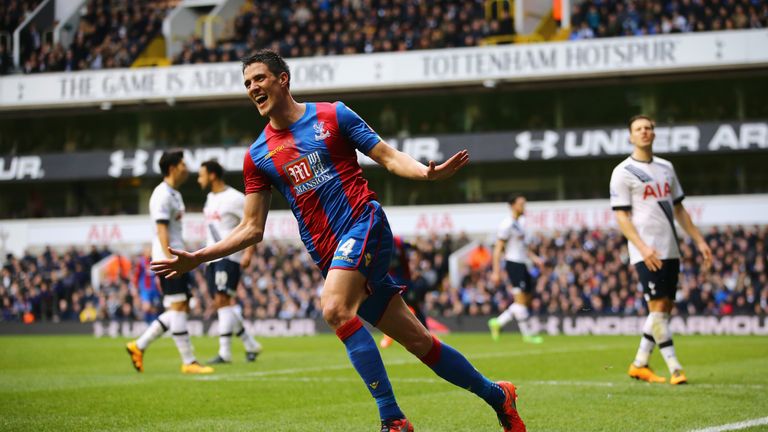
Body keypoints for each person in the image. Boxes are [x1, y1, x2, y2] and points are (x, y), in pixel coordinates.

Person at [151, 50, 525, 432]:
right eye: (247, 83)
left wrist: (426, 175)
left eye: (259, 78)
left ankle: (392, 419)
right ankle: (498, 395)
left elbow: (387, 155)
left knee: (333, 308)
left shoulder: (333, 116)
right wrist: (198, 257)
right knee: (419, 342)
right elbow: (251, 228)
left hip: (363, 223)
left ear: (283, 80)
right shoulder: (258, 155)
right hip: (330, 255)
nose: (252, 88)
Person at [610, 115, 712, 385]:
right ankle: (675, 367)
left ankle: (639, 363)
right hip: (645, 251)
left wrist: (699, 241)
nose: (644, 132)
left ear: (654, 134)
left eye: (648, 128)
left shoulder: (666, 168)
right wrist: (642, 248)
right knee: (656, 306)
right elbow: (621, 217)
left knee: (664, 308)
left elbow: (679, 209)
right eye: (638, 129)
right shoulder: (623, 172)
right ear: (630, 136)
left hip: (670, 248)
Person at [126, 150, 213, 375]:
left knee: (180, 307)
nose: (187, 168)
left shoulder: (174, 194)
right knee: (177, 308)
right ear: (173, 167)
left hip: (176, 259)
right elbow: (162, 229)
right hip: (169, 260)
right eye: (183, 164)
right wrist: (171, 259)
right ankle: (189, 361)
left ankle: (139, 345)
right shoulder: (161, 194)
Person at [197, 159, 263, 364]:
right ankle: (250, 343)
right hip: (212, 256)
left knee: (223, 299)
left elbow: (252, 223)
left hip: (229, 256)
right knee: (221, 302)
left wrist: (249, 253)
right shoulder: (209, 198)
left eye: (202, 174)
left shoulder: (235, 198)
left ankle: (225, 352)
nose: (199, 179)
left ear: (212, 175)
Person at [487, 195, 545, 344]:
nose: (524, 206)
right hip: (513, 264)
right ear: (512, 205)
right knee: (520, 300)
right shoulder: (506, 224)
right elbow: (498, 248)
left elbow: (523, 247)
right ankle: (527, 335)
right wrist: (496, 271)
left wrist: (535, 258)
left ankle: (498, 323)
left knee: (524, 301)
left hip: (523, 264)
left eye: (524, 203)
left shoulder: (520, 223)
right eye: (521, 204)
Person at [133, 247, 160, 323]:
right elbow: (137, 275)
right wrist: (135, 286)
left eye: (150, 251)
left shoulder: (154, 261)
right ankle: (148, 324)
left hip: (154, 289)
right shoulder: (141, 262)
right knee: (146, 307)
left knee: (155, 308)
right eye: (147, 251)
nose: (149, 253)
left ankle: (154, 324)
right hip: (145, 288)